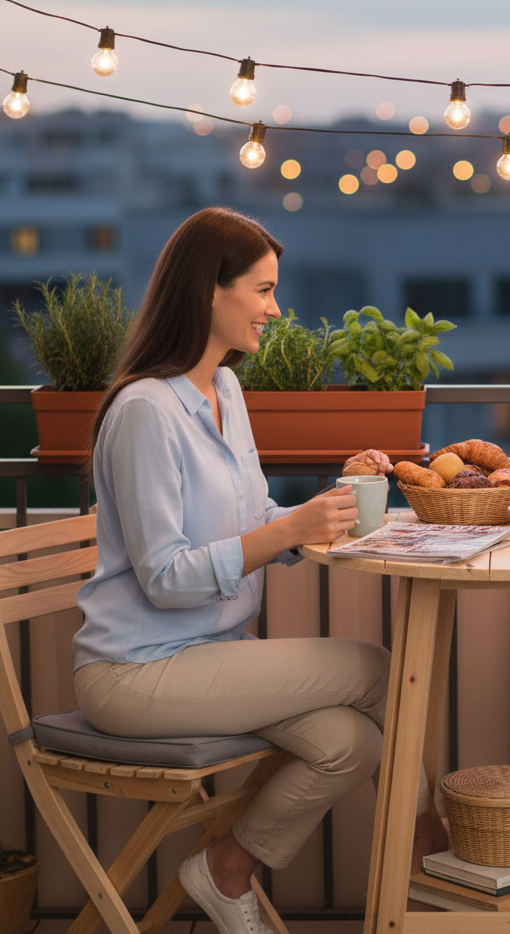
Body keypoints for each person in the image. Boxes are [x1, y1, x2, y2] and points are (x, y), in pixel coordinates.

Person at [73, 207, 445, 934]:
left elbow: (254, 515)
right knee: (376, 668)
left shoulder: (227, 392)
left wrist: (330, 503)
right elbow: (163, 577)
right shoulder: (146, 411)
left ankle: (226, 869)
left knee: (354, 743)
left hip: (211, 657)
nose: (276, 310)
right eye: (264, 290)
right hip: (135, 673)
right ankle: (432, 854)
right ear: (211, 290)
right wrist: (287, 530)